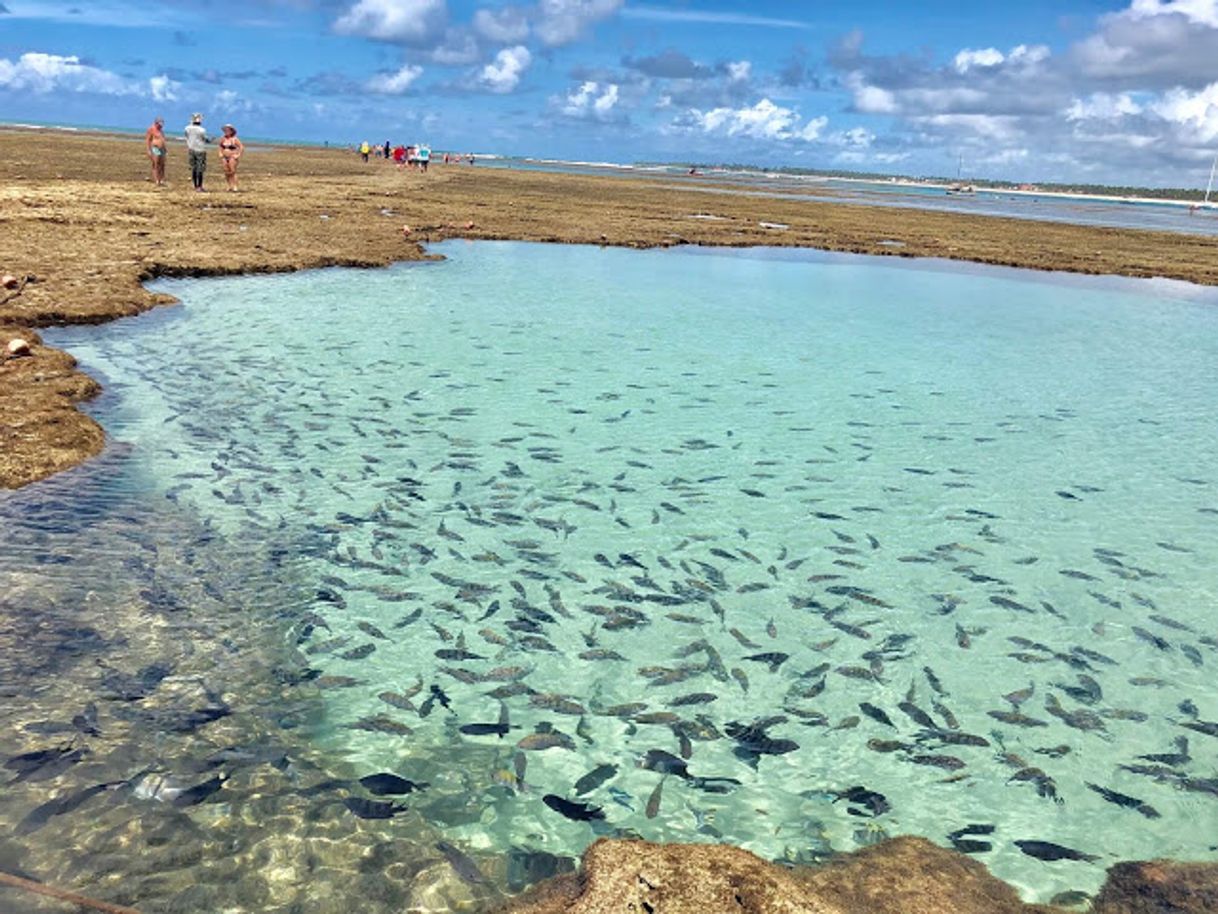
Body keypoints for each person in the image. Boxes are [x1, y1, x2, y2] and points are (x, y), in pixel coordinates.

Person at [184, 113, 211, 192]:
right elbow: (205, 139)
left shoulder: (187, 128)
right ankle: (199, 186)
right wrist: (209, 140)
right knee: (200, 169)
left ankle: (195, 186)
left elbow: (187, 135)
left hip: (191, 149)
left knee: (194, 169)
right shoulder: (202, 130)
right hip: (200, 150)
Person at [218, 124, 244, 192]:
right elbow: (220, 146)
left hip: (232, 157)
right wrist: (220, 153)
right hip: (224, 157)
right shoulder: (223, 138)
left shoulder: (235, 139)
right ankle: (229, 186)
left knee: (232, 171)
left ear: (231, 131)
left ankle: (235, 186)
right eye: (225, 130)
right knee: (226, 171)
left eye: (228, 130)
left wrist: (238, 155)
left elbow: (241, 147)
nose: (226, 131)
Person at [145, 117, 167, 186]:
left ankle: (162, 179)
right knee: (156, 164)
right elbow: (148, 140)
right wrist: (149, 150)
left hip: (162, 149)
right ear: (156, 123)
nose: (161, 126)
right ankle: (157, 180)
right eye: (159, 124)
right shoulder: (151, 129)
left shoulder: (161, 130)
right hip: (155, 148)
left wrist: (165, 149)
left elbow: (163, 139)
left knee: (162, 164)